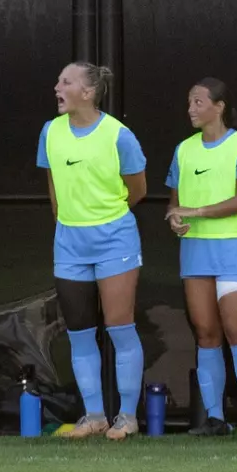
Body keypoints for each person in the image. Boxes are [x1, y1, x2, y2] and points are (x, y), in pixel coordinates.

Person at [38, 62, 148, 440]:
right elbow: (53, 185)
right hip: (69, 243)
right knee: (80, 333)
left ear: (87, 92)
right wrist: (69, 223)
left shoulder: (119, 135)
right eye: (59, 80)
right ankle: (94, 415)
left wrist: (106, 219)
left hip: (115, 239)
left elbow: (137, 189)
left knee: (120, 327)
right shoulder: (50, 131)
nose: (57, 87)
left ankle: (127, 416)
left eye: (64, 81)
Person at [165, 78, 237, 440]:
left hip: (234, 248)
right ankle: (215, 418)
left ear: (219, 106)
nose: (191, 108)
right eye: (189, 102)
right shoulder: (183, 150)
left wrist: (197, 211)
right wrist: (176, 218)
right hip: (195, 253)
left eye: (198, 102)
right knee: (206, 333)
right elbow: (176, 203)